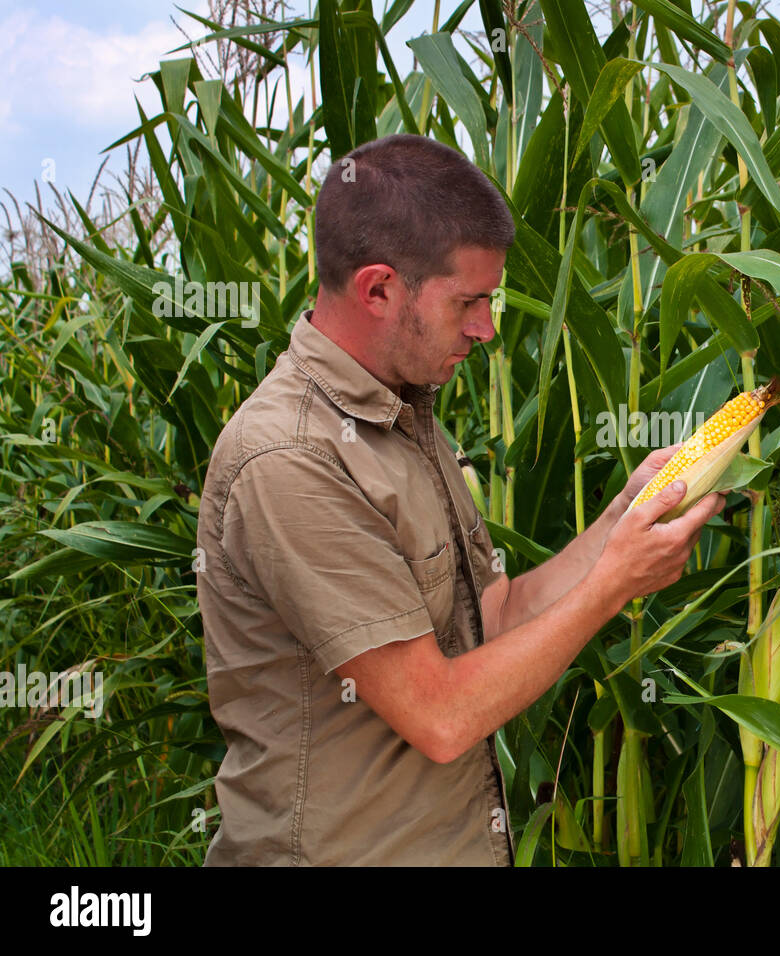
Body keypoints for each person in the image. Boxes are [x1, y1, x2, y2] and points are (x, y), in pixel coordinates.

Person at [194, 133, 723, 865]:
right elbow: (439, 713)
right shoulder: (292, 459)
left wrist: (617, 523)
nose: (487, 328)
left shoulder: (400, 415)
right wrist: (613, 586)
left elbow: (493, 618)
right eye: (468, 302)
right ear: (378, 290)